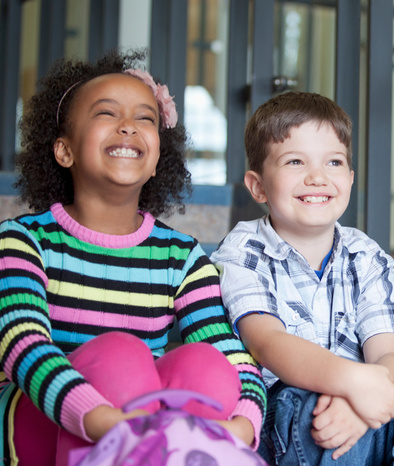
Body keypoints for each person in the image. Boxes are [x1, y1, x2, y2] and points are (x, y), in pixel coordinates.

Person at [0, 50, 266, 465]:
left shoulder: (181, 256)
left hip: (144, 436)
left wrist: (244, 425)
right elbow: (22, 344)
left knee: (205, 366)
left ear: (159, 156)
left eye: (146, 118)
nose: (128, 126)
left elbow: (233, 357)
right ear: (64, 151)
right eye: (106, 113)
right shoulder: (21, 242)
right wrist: (102, 420)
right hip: (37, 428)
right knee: (120, 357)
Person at [210, 91, 394, 465]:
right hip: (292, 427)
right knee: (310, 403)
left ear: (350, 177)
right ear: (258, 185)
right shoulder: (244, 248)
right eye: (295, 161)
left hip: (369, 415)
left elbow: (389, 353)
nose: (317, 177)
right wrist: (349, 384)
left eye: (333, 162)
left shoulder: (366, 256)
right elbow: (268, 343)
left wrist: (362, 405)